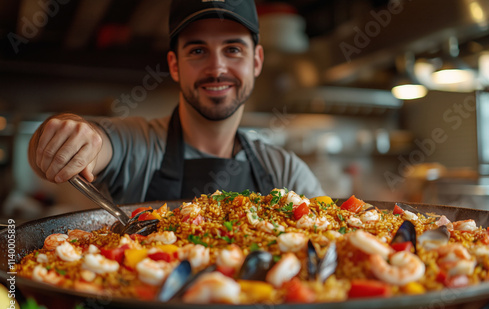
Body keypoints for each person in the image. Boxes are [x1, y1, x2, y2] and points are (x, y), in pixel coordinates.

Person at [28, 0, 325, 204]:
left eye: (233, 49)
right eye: (197, 51)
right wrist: (69, 134)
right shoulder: (137, 146)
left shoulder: (286, 172)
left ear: (256, 61)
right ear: (174, 65)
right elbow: (95, 143)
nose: (217, 68)